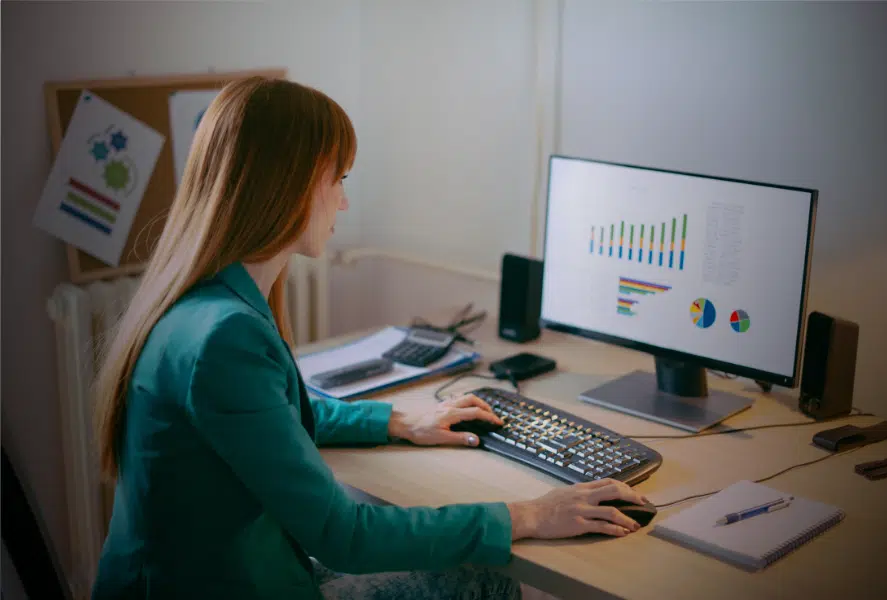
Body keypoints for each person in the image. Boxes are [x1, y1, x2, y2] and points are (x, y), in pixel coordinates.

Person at [90, 76, 648, 600]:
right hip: (220, 584)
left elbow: (275, 416)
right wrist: (528, 515)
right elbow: (343, 535)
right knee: (483, 579)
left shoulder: (199, 302)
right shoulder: (225, 338)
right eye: (339, 180)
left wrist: (398, 423)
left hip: (201, 570)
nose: (344, 201)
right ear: (289, 187)